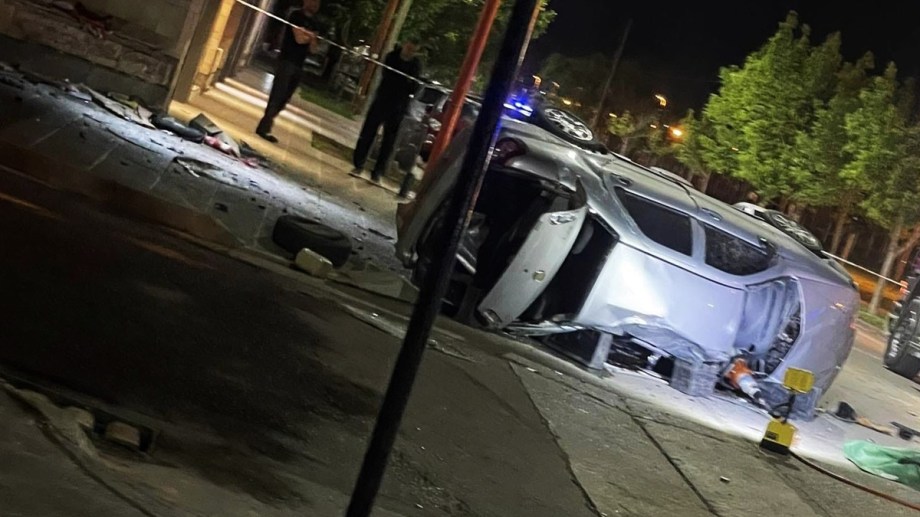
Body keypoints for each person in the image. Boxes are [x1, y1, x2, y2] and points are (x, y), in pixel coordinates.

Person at [351, 39, 422, 184]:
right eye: (408, 48)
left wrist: (407, 84)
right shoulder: (392, 56)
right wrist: (404, 81)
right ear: (404, 45)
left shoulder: (416, 65)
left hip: (398, 106)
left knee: (389, 141)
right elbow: (388, 76)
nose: (409, 52)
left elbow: (414, 87)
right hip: (382, 100)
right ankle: (358, 164)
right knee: (368, 133)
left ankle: (377, 172)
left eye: (413, 50)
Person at [256, 0, 323, 143]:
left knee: (285, 98)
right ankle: (264, 127)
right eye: (313, 1)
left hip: (299, 64)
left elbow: (314, 49)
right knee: (277, 94)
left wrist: (308, 36)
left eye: (318, 3)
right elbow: (299, 39)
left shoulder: (316, 23)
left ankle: (266, 123)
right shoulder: (296, 15)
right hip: (286, 60)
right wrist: (310, 36)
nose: (315, 5)